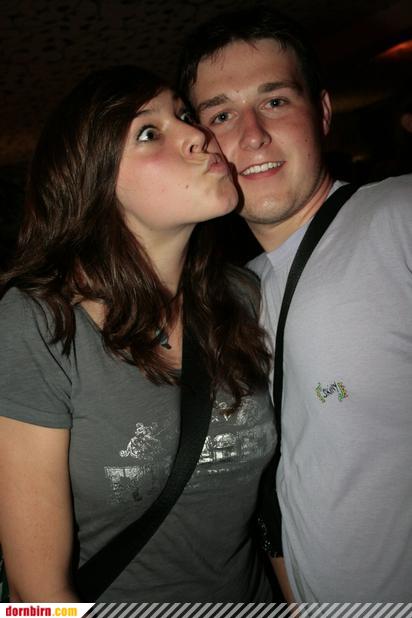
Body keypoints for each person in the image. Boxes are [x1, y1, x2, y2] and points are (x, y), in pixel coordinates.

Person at [0, 65, 277, 602]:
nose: (197, 135)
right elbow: (36, 596)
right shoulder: (37, 325)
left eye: (184, 115)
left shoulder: (244, 296)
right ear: (97, 185)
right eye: (149, 133)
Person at [178, 5, 412, 602]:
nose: (252, 134)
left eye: (275, 101)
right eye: (222, 115)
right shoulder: (241, 296)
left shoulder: (398, 218)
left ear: (323, 113)